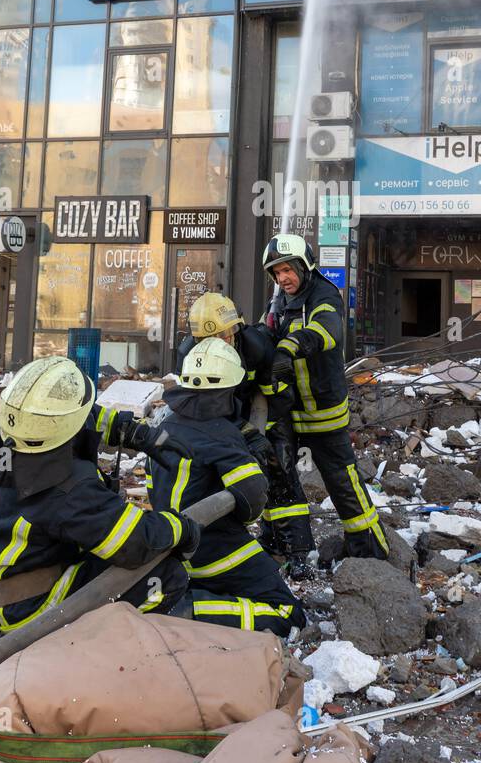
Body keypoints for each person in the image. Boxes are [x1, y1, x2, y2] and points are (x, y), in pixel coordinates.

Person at [0, 357, 199, 636]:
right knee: (165, 576)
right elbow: (137, 542)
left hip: (19, 585)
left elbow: (87, 416)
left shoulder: (17, 445)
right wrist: (183, 528)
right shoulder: (67, 488)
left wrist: (135, 433)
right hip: (27, 611)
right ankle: (99, 657)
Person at [147, 336, 305, 636]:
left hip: (169, 545)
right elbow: (252, 500)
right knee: (287, 612)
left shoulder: (167, 424)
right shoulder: (221, 435)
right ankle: (190, 610)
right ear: (229, 387)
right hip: (212, 548)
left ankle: (195, 598)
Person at [263, 233, 389, 561]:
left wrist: (290, 347)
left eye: (288, 270)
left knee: (341, 479)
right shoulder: (279, 301)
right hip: (290, 409)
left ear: (304, 266)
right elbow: (268, 332)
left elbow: (327, 329)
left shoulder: (324, 294)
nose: (283, 278)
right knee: (278, 476)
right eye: (277, 273)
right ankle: (282, 547)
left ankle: (369, 550)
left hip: (322, 410)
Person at [177, 291, 314, 573]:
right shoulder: (190, 356)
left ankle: (297, 551)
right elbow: (198, 406)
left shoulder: (257, 347)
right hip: (221, 419)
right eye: (209, 340)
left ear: (237, 329)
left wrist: (260, 434)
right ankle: (258, 539)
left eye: (227, 335)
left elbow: (273, 396)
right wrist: (239, 432)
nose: (221, 343)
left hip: (265, 412)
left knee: (281, 470)